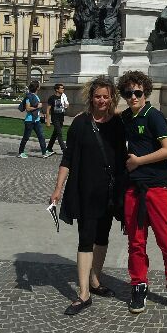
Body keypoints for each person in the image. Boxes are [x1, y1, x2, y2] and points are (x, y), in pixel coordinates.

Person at [117, 70, 167, 315]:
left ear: (145, 92)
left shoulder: (155, 117)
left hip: (158, 189)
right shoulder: (126, 118)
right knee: (136, 243)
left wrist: (138, 161)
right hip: (134, 190)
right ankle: (138, 286)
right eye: (128, 93)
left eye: (137, 92)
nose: (133, 97)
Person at [50, 76, 127, 315]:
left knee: (102, 238)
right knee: (86, 239)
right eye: (97, 96)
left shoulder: (117, 123)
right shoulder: (80, 123)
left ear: (111, 97)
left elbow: (126, 155)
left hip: (109, 192)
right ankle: (83, 294)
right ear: (90, 98)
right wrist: (58, 188)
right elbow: (68, 158)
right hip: (84, 190)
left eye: (106, 96)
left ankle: (95, 281)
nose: (101, 100)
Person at [18, 81, 53, 159]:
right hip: (29, 121)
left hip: (36, 120)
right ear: (37, 87)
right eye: (39, 85)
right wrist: (38, 107)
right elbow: (27, 108)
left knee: (41, 136)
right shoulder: (29, 96)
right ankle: (21, 152)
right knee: (26, 137)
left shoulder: (36, 96)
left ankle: (44, 152)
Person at [46, 83, 68, 154]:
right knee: (59, 133)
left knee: (55, 133)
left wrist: (66, 106)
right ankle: (64, 149)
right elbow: (48, 110)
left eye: (63, 88)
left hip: (61, 117)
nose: (63, 89)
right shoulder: (52, 98)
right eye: (61, 88)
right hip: (55, 118)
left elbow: (66, 107)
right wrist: (48, 121)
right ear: (57, 89)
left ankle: (49, 147)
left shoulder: (63, 97)